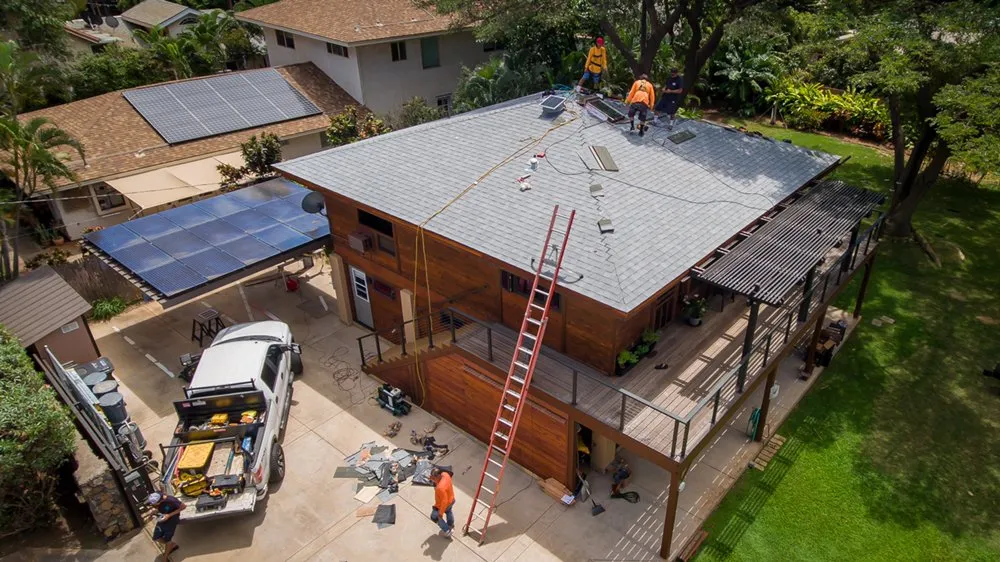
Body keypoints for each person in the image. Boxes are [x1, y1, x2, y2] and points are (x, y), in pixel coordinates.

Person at [148, 492, 185, 561]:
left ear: (160, 500)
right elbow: (159, 508)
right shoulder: (158, 495)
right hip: (162, 518)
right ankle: (172, 545)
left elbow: (183, 506)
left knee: (168, 539)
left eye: (155, 504)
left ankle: (165, 558)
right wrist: (152, 513)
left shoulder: (171, 500)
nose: (153, 505)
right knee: (156, 538)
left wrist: (169, 515)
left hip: (172, 520)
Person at [429, 467, 456, 538]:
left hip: (442, 504)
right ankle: (451, 525)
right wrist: (432, 478)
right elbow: (440, 481)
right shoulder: (445, 474)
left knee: (435, 517)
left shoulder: (440, 488)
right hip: (452, 500)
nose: (433, 480)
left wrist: (440, 514)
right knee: (449, 512)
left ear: (438, 476)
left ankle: (447, 531)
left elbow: (444, 501)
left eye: (434, 478)